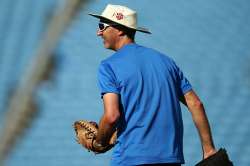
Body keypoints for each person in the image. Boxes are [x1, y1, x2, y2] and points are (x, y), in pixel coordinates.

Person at [87, 4, 217, 166]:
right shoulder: (166, 62)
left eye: (102, 26)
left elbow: (112, 116)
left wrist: (100, 141)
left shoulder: (109, 66)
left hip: (130, 159)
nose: (98, 32)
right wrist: (209, 150)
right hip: (170, 159)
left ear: (119, 30)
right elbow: (196, 104)